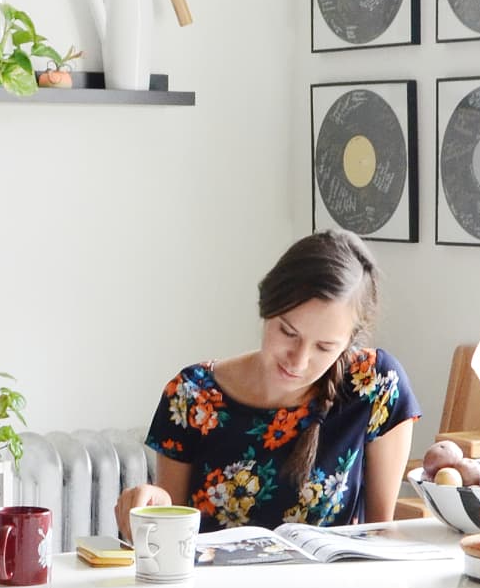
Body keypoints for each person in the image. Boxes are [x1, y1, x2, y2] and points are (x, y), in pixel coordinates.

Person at [115, 230, 419, 538]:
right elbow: (171, 533)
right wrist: (152, 507)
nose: (298, 360)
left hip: (333, 584)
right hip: (217, 586)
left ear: (348, 343)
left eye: (324, 347)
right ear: (267, 306)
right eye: (288, 332)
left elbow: (382, 533)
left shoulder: (375, 385)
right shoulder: (192, 396)